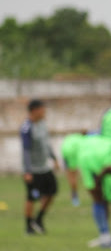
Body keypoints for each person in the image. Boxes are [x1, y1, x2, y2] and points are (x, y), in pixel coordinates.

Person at [20, 99, 59, 235]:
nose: (44, 112)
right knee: (32, 197)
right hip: (33, 170)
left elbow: (46, 143)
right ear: (34, 110)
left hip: (44, 167)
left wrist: (53, 158)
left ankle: (38, 219)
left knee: (52, 192)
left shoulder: (42, 124)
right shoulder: (27, 128)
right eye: (42, 109)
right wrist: (27, 171)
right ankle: (28, 227)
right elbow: (26, 151)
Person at [61, 132, 85, 206]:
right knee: (73, 178)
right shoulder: (82, 140)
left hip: (66, 154)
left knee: (72, 178)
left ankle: (74, 195)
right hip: (70, 155)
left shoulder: (74, 138)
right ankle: (75, 196)